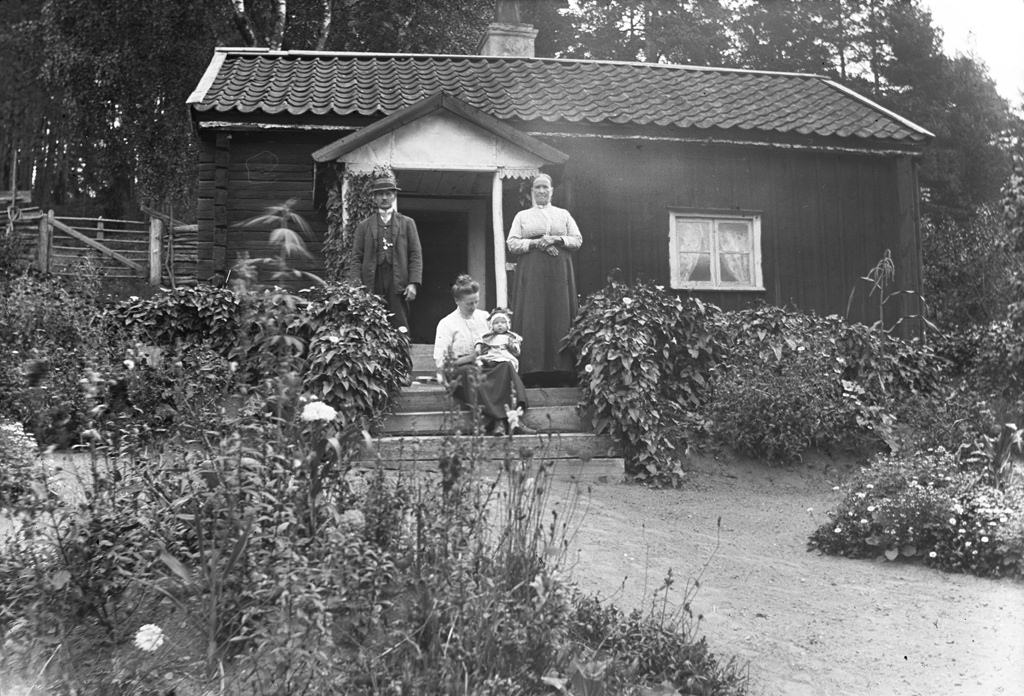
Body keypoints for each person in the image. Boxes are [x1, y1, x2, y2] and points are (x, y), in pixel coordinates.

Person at [506, 173, 582, 385]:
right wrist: (535, 244)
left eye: (545, 187)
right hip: (532, 273)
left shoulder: (563, 214)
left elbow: (577, 240)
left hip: (559, 273)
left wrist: (556, 239)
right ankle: (532, 371)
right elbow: (512, 243)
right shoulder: (522, 216)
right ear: (532, 191)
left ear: (551, 191)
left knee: (560, 313)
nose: (541, 191)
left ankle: (561, 371)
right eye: (537, 187)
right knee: (533, 315)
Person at [433, 275, 530, 435]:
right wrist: (470, 358)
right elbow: (442, 363)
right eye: (469, 303)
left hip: (485, 365)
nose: (473, 306)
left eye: (476, 301)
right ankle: (504, 420)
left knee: (505, 366)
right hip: (459, 371)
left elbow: (499, 336)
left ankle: (505, 419)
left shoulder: (485, 317)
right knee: (471, 372)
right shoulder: (447, 324)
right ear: (457, 301)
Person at [346, 173, 422, 330]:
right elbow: (356, 258)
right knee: (371, 326)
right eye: (380, 194)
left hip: (398, 281)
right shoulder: (364, 226)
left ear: (394, 196)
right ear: (374, 198)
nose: (384, 197)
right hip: (372, 281)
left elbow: (415, 255)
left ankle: (401, 354)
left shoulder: (407, 223)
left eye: (388, 193)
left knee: (400, 326)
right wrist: (356, 287)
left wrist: (413, 283)